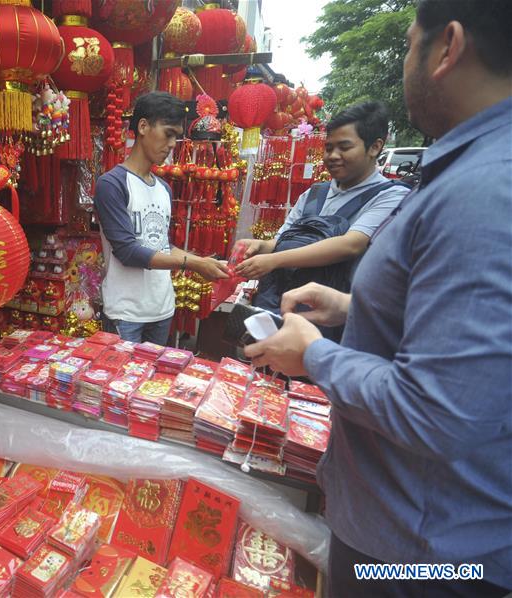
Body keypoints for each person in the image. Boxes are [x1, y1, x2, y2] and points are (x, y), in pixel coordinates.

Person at [245, 0, 512, 595]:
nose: (405, 66)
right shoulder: (473, 173)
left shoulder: (484, 190)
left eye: (410, 45)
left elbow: (440, 410)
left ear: (449, 47)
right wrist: (351, 309)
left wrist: (315, 356)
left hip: (424, 555)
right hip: (417, 526)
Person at [235, 102, 409, 317]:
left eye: (344, 148)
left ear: (375, 147)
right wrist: (261, 246)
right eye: (328, 148)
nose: (333, 155)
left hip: (335, 318)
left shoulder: (391, 196)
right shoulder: (314, 193)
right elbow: (281, 240)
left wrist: (273, 260)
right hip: (283, 305)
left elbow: (351, 244)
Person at [93, 91, 229, 344]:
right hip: (126, 314)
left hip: (162, 309)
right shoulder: (112, 184)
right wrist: (194, 264)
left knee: (153, 383)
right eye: (168, 133)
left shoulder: (163, 188)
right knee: (124, 380)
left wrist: (203, 261)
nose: (171, 144)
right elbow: (128, 251)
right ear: (143, 126)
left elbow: (162, 246)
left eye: (176, 137)